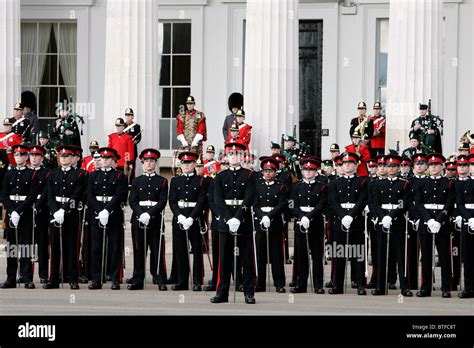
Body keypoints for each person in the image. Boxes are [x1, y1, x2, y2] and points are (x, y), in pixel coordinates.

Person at [210, 141, 256, 304]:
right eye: (231, 154)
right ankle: (222, 292)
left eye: (237, 154)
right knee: (224, 259)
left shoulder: (250, 175)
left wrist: (238, 217)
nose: (234, 156)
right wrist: (229, 219)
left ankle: (249, 292)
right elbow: (218, 200)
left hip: (243, 221)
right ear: (227, 157)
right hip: (225, 222)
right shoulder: (220, 176)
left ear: (243, 156)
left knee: (247, 259)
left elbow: (249, 197)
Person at [43, 145, 86, 290]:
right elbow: (49, 194)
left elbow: (77, 194)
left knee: (71, 247)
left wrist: (64, 210)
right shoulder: (52, 174)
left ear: (72, 157)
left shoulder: (79, 174)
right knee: (54, 247)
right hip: (55, 215)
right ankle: (53, 279)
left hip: (71, 214)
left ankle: (73, 279)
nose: (64, 159)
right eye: (62, 156)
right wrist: (55, 211)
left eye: (67, 156)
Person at [371, 154, 412, 296]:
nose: (391, 168)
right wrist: (382, 217)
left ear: (399, 167)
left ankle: (404, 287)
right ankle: (380, 286)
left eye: (394, 166)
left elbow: (403, 203)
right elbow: (375, 203)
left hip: (398, 222)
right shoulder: (378, 184)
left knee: (400, 255)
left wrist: (391, 216)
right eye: (388, 166)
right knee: (381, 255)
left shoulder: (404, 184)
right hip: (382, 222)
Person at [87, 147, 128, 290]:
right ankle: (96, 279)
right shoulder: (92, 176)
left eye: (107, 158)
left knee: (115, 247)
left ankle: (115, 279)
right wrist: (100, 211)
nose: (104, 160)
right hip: (96, 215)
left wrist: (107, 210)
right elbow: (89, 196)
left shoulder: (120, 176)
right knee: (96, 248)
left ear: (112, 160)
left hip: (114, 215)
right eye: (102, 158)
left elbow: (120, 195)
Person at [328, 152, 368, 295]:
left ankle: (360, 285)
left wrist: (351, 216)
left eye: (350, 163)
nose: (347, 165)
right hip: (339, 222)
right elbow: (332, 201)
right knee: (338, 255)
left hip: (356, 221)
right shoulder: (334, 183)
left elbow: (362, 200)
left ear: (356, 165)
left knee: (358, 255)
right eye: (344, 163)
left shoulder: (363, 182)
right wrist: (342, 216)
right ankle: (337, 285)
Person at [128, 149, 168, 290]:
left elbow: (162, 201)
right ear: (142, 163)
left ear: (156, 163)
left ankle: (159, 277)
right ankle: (138, 278)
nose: (149, 163)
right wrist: (141, 214)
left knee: (157, 250)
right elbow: (132, 201)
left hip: (155, 219)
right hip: (139, 219)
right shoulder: (136, 181)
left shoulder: (162, 181)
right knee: (139, 250)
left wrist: (149, 214)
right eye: (146, 161)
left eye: (152, 161)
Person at [415, 153, 454, 298]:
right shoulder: (421, 182)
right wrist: (429, 220)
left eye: (436, 165)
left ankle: (446, 287)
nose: (433, 167)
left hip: (442, 223)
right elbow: (418, 203)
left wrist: (439, 219)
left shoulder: (449, 183)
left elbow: (449, 204)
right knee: (425, 257)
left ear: (442, 166)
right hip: (426, 223)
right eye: (431, 165)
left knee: (444, 257)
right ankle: (425, 287)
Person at [0, 145, 39, 289]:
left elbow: (32, 195)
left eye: (22, 155)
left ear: (26, 157)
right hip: (11, 214)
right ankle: (10, 278)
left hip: (25, 213)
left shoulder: (32, 173)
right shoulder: (9, 173)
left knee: (26, 246)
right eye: (16, 155)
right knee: (12, 247)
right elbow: (4, 194)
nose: (19, 157)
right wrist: (12, 211)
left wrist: (19, 211)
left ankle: (27, 277)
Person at [168, 151, 206, 291]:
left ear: (194, 164)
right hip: (179, 218)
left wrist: (191, 217)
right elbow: (172, 201)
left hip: (194, 219)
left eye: (189, 163)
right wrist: (180, 216)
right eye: (183, 163)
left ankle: (197, 281)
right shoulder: (175, 180)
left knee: (196, 251)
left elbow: (201, 201)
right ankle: (182, 281)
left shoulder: (201, 180)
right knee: (180, 250)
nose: (186, 165)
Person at [290, 156, 327, 294]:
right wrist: (301, 216)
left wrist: (309, 216)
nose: (308, 172)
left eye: (311, 170)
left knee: (317, 256)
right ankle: (301, 284)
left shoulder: (322, 186)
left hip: (315, 223)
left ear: (316, 171)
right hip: (300, 223)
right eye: (305, 169)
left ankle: (318, 285)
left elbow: (322, 204)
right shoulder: (296, 186)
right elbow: (292, 204)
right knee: (301, 256)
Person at [253, 157, 288, 293]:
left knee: (276, 254)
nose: (267, 173)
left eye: (270, 171)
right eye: (265, 171)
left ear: (275, 172)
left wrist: (270, 216)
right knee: (260, 253)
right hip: (260, 221)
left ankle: (279, 282)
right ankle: (260, 283)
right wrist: (263, 216)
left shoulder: (280, 186)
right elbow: (255, 205)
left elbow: (282, 204)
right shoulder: (257, 186)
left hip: (275, 222)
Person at [28, 146, 51, 284]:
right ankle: (26, 274)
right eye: (32, 155)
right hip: (26, 210)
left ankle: (43, 274)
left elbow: (47, 191)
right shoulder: (25, 172)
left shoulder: (47, 173)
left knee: (42, 244)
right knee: (27, 244)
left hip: (41, 210)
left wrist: (37, 205)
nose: (34, 158)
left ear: (42, 158)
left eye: (37, 155)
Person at [455, 153, 474, 298]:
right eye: (472, 165)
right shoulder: (463, 183)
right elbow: (460, 203)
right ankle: (469, 288)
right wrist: (469, 218)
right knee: (467, 256)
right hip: (468, 221)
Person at [176, 96, 207, 160]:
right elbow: (179, 128)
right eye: (188, 104)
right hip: (185, 144)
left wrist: (196, 140)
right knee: (185, 161)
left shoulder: (199, 115)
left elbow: (201, 128)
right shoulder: (182, 115)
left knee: (197, 161)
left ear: (194, 104)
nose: (189, 105)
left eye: (191, 103)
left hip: (196, 144)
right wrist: (183, 140)